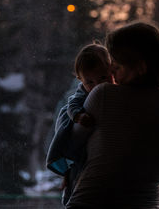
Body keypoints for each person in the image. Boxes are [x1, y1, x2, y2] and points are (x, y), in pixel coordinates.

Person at [66, 21, 159, 209]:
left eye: (117, 66)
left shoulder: (104, 94)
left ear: (140, 67)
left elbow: (73, 142)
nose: (109, 71)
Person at [46, 43, 112, 206]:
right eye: (90, 82)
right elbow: (72, 106)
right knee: (75, 171)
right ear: (80, 80)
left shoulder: (116, 91)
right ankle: (69, 197)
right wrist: (78, 116)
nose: (97, 85)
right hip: (80, 148)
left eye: (103, 78)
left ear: (112, 70)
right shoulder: (82, 93)